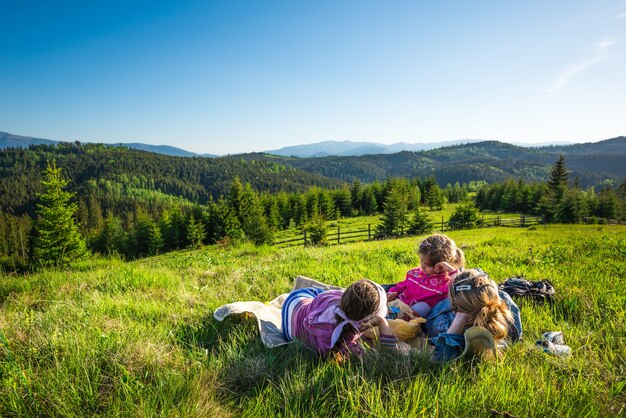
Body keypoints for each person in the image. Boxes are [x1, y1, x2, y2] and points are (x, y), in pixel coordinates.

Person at [281, 279, 398, 356]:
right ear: (365, 320)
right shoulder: (349, 347)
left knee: (319, 294)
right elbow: (389, 354)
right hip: (291, 325)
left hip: (293, 303)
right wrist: (381, 322)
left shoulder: (330, 297)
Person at [427, 269, 523, 362]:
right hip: (474, 300)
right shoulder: (508, 320)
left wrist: (459, 319)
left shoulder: (443, 323)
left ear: (454, 305)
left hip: (456, 311)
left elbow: (440, 358)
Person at [387, 234, 465, 318]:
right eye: (421, 260)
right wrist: (392, 293)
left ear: (441, 265)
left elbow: (462, 289)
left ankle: (393, 320)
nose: (422, 266)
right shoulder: (414, 273)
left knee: (423, 306)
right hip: (397, 306)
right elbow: (400, 287)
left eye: (428, 265)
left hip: (413, 316)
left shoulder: (446, 283)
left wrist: (451, 270)